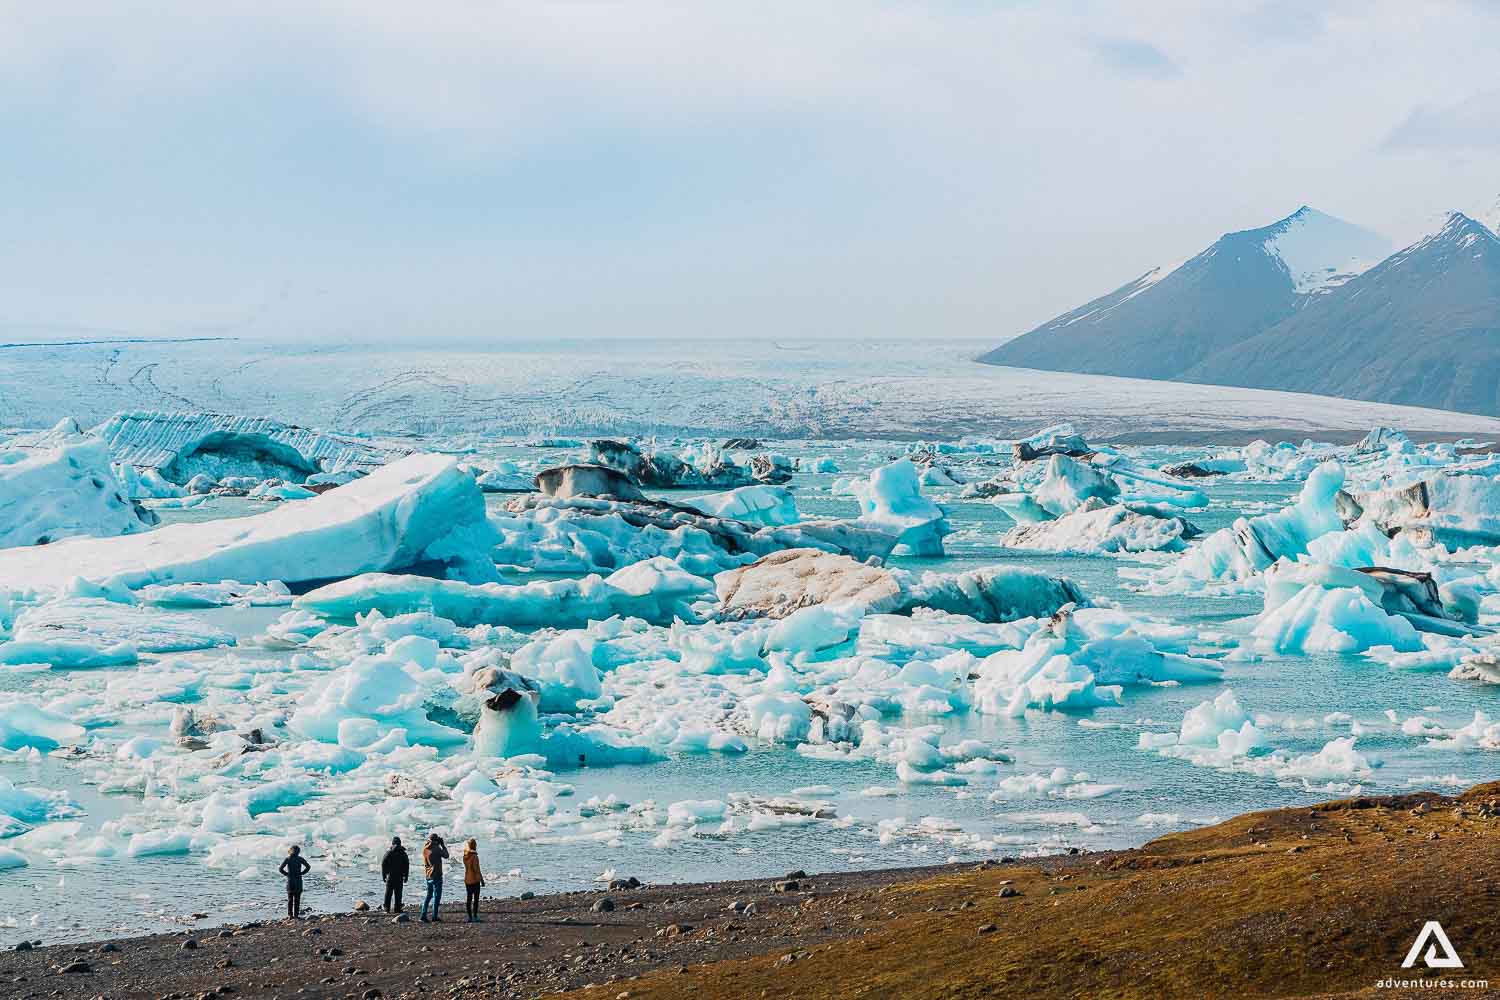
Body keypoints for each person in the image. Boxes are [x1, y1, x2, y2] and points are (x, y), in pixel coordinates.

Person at [419, 833, 449, 922]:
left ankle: (423, 915)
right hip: (436, 876)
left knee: (428, 895)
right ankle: (434, 916)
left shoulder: (425, 849)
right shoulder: (436, 849)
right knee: (437, 896)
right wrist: (443, 845)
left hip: (428, 876)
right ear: (436, 841)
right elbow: (446, 855)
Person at [279, 845, 311, 919]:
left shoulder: (288, 859)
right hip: (298, 881)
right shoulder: (300, 859)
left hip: (290, 881)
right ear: (298, 852)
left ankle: (290, 915)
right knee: (297, 899)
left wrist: (287, 874)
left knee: (290, 899)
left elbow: (280, 869)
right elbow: (308, 867)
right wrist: (302, 873)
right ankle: (296, 915)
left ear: (290, 851)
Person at [381, 836, 410, 913]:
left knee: (388, 893)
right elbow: (407, 865)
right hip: (399, 876)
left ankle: (387, 908)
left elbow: (383, 864)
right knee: (398, 893)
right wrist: (406, 876)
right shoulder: (403, 853)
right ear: (400, 843)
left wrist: (384, 875)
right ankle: (397, 908)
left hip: (390, 876)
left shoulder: (389, 852)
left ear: (392, 843)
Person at [462, 839, 485, 922]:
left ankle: (469, 917)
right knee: (475, 900)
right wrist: (481, 880)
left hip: (467, 879)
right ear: (474, 845)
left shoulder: (465, 856)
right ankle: (475, 916)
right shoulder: (474, 856)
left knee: (469, 899)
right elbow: (476, 870)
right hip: (475, 880)